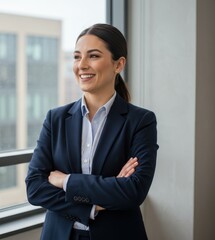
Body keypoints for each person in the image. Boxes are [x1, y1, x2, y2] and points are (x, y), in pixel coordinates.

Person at [25, 23, 158, 240]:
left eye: (93, 56)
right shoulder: (55, 119)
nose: (82, 65)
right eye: (77, 57)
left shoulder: (140, 121)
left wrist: (66, 181)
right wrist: (93, 206)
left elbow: (134, 191)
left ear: (119, 64)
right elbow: (35, 188)